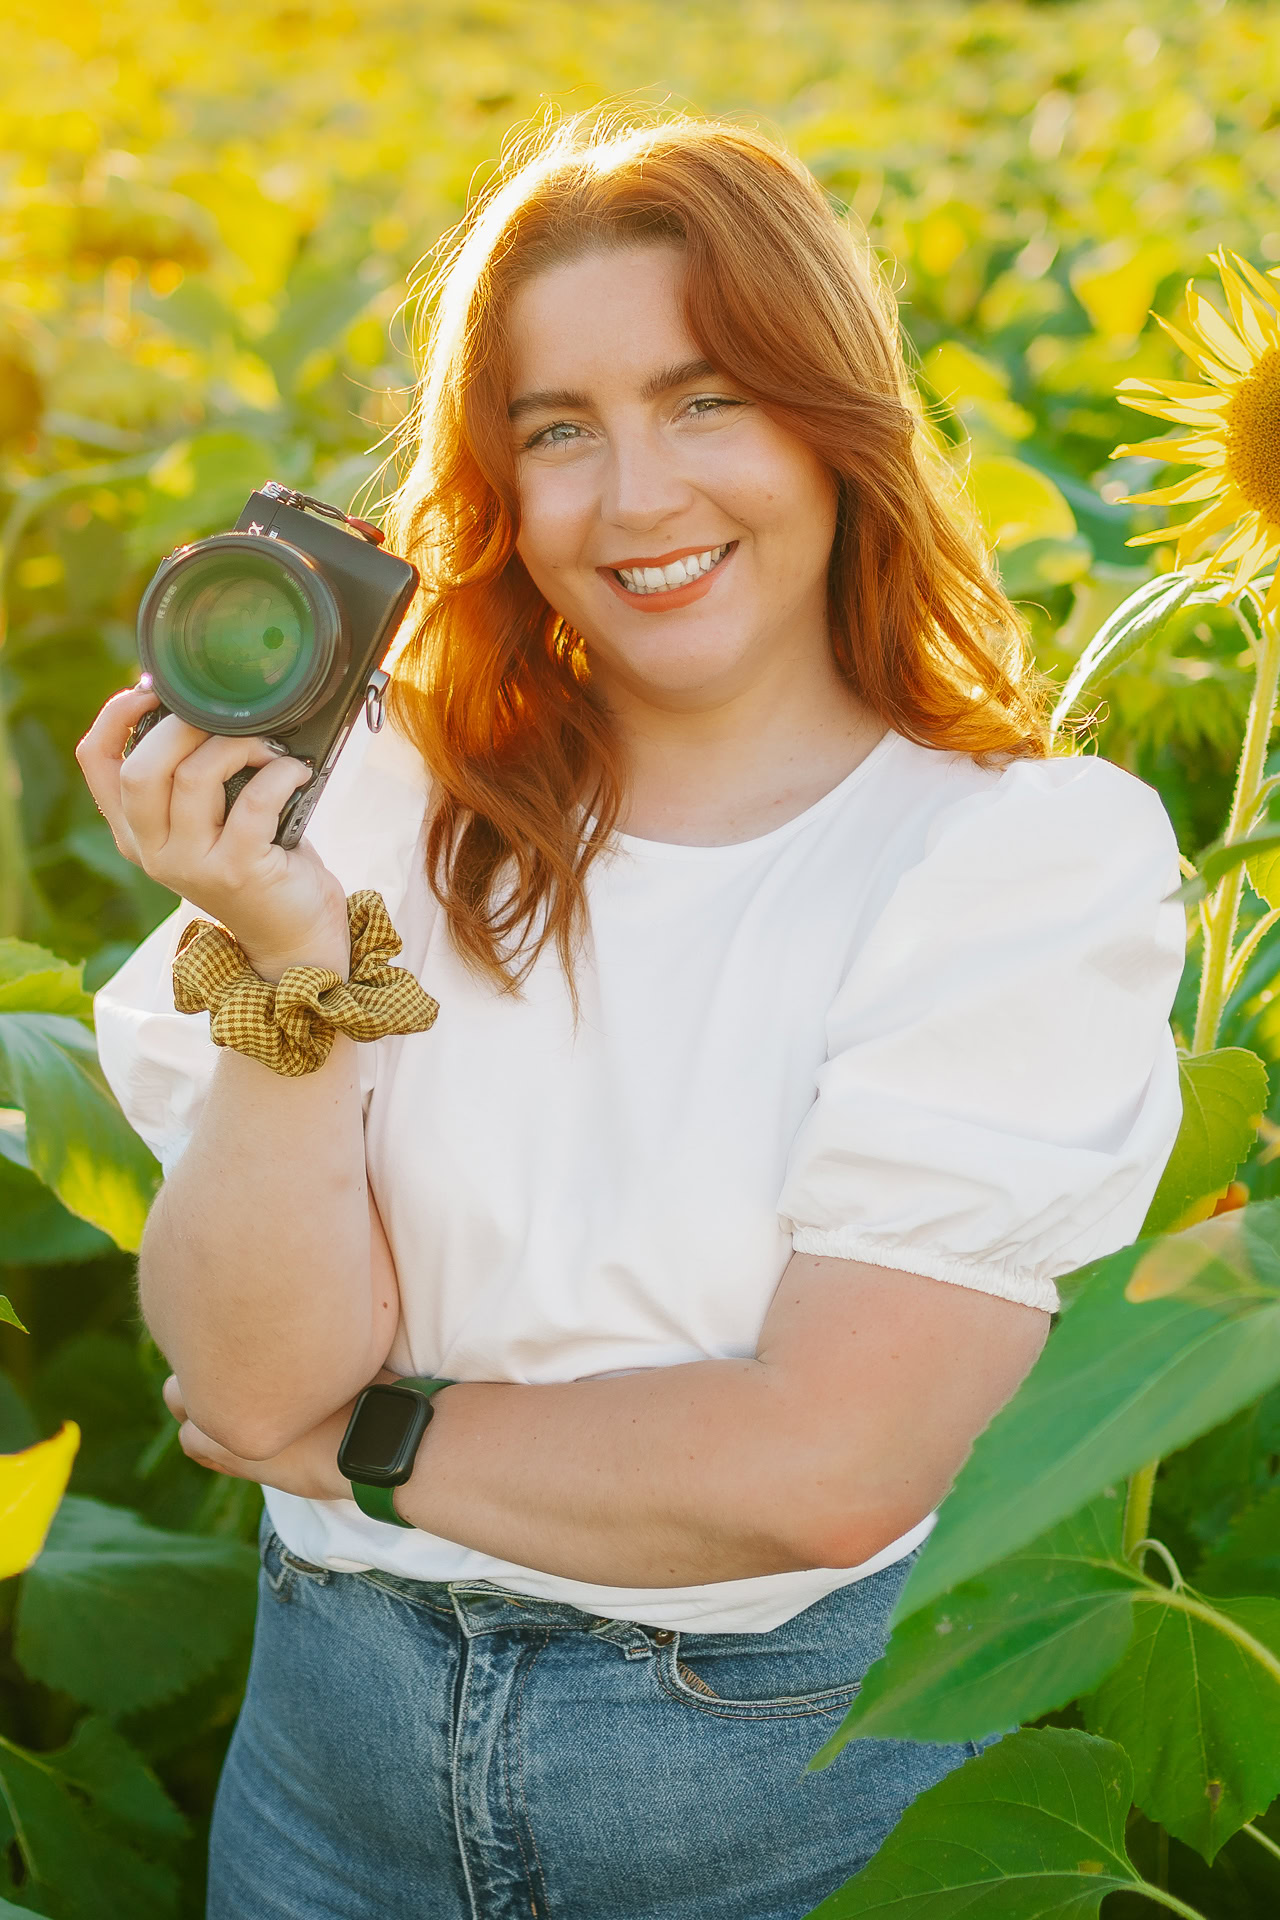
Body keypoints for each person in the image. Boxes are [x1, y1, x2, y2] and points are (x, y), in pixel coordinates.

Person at [80, 114, 1185, 1920]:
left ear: (834, 423)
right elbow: (249, 1374)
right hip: (324, 1780)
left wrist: (368, 1444)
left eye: (704, 400)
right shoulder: (377, 794)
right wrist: (288, 958)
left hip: (773, 1799)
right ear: (497, 484)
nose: (638, 498)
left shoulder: (1011, 860)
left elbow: (820, 1466)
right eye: (559, 431)